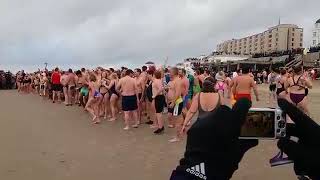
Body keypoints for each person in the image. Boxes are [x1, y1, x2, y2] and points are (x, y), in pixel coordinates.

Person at [168, 67, 184, 143]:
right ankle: (178, 135)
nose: (169, 73)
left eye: (170, 72)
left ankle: (177, 137)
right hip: (176, 102)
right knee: (177, 119)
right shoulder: (175, 80)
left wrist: (173, 102)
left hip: (177, 102)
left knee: (177, 120)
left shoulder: (177, 80)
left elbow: (178, 93)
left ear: (173, 72)